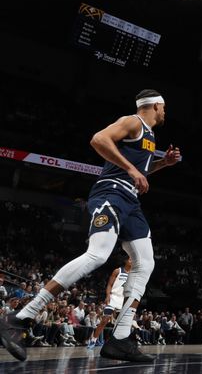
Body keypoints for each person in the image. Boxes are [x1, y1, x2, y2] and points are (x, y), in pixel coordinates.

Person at [0, 90, 180, 362]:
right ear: (156, 105)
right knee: (98, 254)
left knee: (146, 262)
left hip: (131, 201)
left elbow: (137, 171)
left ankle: (119, 338)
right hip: (111, 193)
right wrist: (132, 170)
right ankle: (20, 317)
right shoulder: (132, 122)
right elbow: (99, 139)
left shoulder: (151, 137)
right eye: (164, 108)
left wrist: (162, 164)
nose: (165, 112)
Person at [88, 257, 132, 349]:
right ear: (125, 261)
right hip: (114, 297)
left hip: (123, 300)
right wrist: (108, 295)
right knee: (105, 320)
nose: (132, 261)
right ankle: (93, 340)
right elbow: (109, 284)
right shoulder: (118, 271)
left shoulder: (133, 274)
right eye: (130, 259)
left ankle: (117, 343)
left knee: (121, 324)